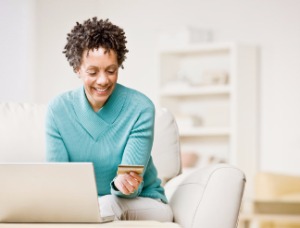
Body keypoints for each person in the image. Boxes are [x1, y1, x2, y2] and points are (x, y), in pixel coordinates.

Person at [45, 17, 173, 222]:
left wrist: (123, 183)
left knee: (107, 203)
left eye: (111, 71)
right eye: (93, 72)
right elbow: (59, 181)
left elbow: (131, 187)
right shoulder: (58, 110)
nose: (103, 80)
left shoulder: (139, 108)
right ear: (77, 69)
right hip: (81, 206)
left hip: (142, 201)